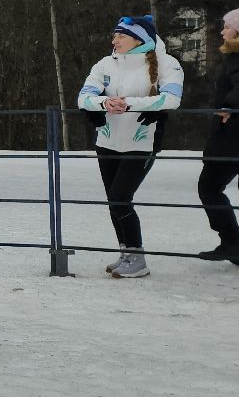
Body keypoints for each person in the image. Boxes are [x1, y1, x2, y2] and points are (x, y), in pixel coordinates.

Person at [77, 15, 184, 278]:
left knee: (120, 198)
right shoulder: (105, 63)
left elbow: (172, 99)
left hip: (142, 141)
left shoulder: (167, 63)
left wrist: (130, 104)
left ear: (139, 39)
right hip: (107, 141)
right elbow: (83, 97)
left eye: (121, 35)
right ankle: (126, 253)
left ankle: (138, 258)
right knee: (114, 201)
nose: (114, 40)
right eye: (115, 35)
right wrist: (104, 103)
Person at [196, 6, 239, 269]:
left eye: (227, 27)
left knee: (209, 188)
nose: (223, 32)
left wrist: (230, 106)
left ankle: (231, 240)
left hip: (234, 138)